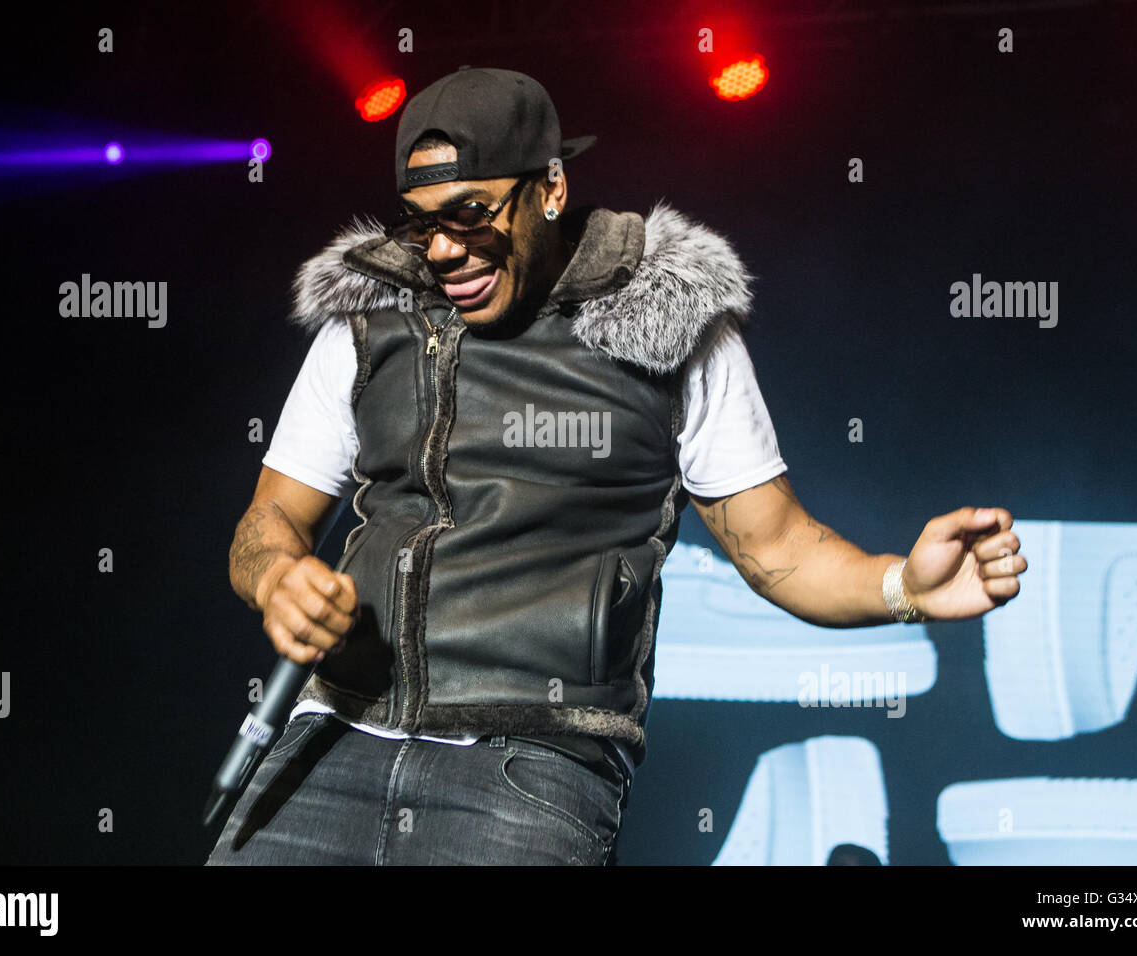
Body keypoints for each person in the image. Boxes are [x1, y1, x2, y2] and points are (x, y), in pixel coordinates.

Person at [206, 66, 1026, 866]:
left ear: (551, 188)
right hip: (330, 739)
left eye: (472, 214)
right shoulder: (369, 319)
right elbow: (268, 521)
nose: (447, 250)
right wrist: (278, 577)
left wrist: (904, 590)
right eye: (422, 224)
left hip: (527, 766)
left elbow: (778, 551)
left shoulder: (667, 325)